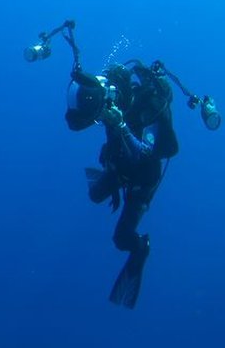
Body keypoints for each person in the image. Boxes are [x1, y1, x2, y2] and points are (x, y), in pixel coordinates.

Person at [65, 60, 179, 308]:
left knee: (121, 238)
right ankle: (112, 181)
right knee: (95, 195)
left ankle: (142, 248)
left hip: (143, 179)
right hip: (120, 166)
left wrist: (120, 126)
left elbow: (152, 153)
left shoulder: (148, 106)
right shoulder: (111, 102)